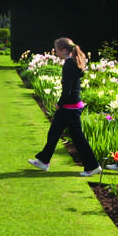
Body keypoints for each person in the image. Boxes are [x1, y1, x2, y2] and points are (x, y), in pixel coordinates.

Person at [28, 37, 101, 176]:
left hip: (70, 107)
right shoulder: (73, 62)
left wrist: (60, 103)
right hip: (70, 106)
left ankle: (92, 166)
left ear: (63, 50)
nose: (56, 53)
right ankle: (44, 161)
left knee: (78, 137)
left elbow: (67, 89)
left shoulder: (69, 64)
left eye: (57, 50)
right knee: (54, 132)